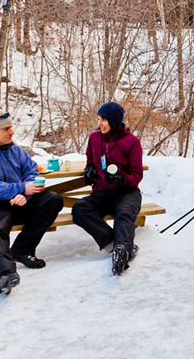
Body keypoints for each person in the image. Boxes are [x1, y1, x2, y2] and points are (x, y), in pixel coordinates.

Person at [0, 107, 63, 295]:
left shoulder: (17, 151)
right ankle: (4, 275)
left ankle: (22, 250)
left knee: (52, 200)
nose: (12, 132)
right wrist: (18, 189)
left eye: (11, 127)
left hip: (16, 202)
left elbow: (32, 173)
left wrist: (25, 194)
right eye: (6, 129)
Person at [72, 101, 144, 276]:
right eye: (98, 119)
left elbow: (137, 174)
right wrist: (89, 170)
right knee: (79, 209)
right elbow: (90, 159)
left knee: (124, 215)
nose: (99, 124)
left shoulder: (132, 142)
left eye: (103, 120)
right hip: (102, 192)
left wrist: (122, 179)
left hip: (127, 192)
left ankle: (122, 251)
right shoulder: (94, 138)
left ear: (114, 121)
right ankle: (116, 245)